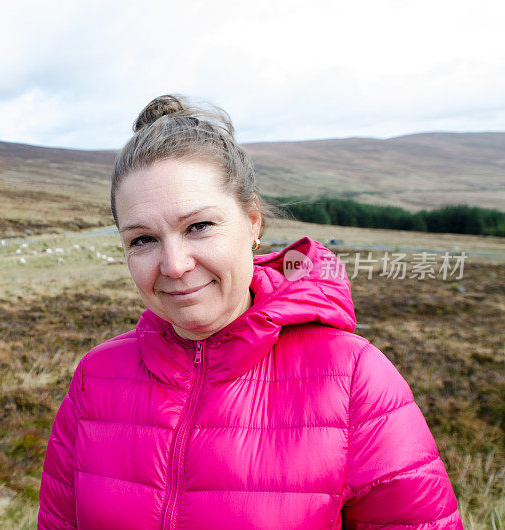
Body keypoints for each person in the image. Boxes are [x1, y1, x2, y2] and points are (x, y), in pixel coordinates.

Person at [38, 95, 461, 529]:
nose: (174, 264)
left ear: (253, 222)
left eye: (198, 227)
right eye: (142, 239)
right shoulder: (95, 377)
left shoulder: (353, 376)